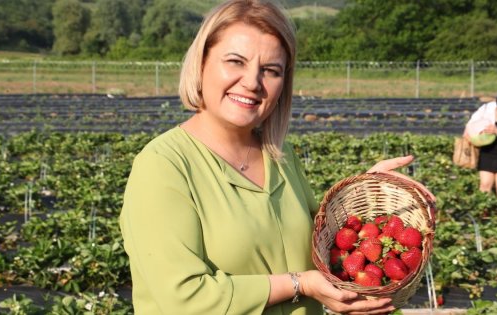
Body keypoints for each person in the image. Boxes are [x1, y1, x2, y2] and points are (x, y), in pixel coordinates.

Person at [119, 1, 431, 314]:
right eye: (235, 61)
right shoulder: (164, 166)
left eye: (271, 70)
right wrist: (299, 284)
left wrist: (363, 191)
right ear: (201, 63)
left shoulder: (280, 157)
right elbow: (182, 298)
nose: (252, 82)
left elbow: (324, 246)